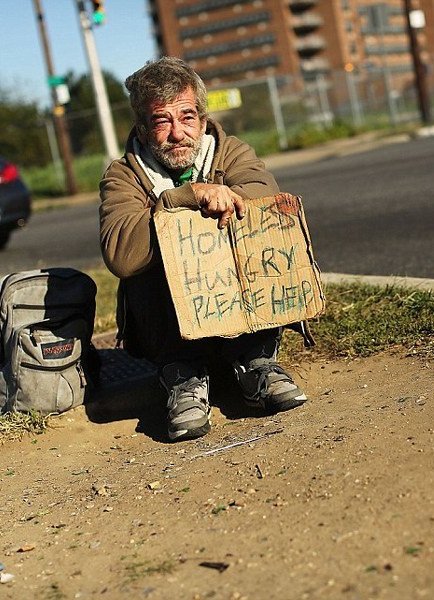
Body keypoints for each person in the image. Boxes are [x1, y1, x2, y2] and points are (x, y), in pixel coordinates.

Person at [99, 57, 306, 441]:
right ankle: (183, 377)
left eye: (187, 117)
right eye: (162, 121)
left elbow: (264, 199)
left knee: (257, 227)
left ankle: (256, 362)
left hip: (241, 324)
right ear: (143, 130)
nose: (178, 133)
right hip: (170, 334)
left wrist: (225, 198)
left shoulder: (231, 151)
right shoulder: (122, 175)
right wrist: (182, 199)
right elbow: (121, 254)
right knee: (150, 252)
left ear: (203, 119)